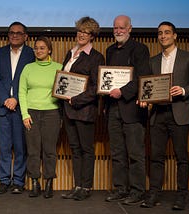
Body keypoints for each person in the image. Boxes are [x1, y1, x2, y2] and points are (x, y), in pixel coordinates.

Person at [140, 21, 189, 210]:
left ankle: (181, 196)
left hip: (180, 113)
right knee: (156, 157)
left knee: (181, 157)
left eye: (167, 33)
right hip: (158, 114)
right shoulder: (152, 61)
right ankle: (153, 194)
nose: (163, 36)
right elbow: (148, 88)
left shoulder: (188, 57)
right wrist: (144, 99)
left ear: (175, 36)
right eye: (160, 33)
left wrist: (184, 90)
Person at [104, 15, 151, 205]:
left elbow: (142, 77)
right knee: (117, 153)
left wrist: (122, 92)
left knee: (135, 154)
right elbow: (107, 78)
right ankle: (121, 189)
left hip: (132, 108)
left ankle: (138, 191)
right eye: (115, 28)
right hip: (113, 109)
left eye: (122, 28)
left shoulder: (140, 49)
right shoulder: (109, 50)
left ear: (130, 28)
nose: (118, 31)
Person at [60, 16, 105, 201]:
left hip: (84, 110)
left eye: (86, 32)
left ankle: (86, 187)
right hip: (68, 110)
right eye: (79, 31)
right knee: (75, 149)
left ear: (92, 35)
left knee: (86, 150)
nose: (81, 34)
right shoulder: (70, 53)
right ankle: (77, 186)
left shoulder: (96, 57)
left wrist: (77, 99)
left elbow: (97, 87)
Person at [0, 22, 35, 194]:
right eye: (11, 32)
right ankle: (3, 181)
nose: (15, 35)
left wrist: (16, 99)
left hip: (21, 108)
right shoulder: (0, 53)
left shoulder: (32, 54)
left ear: (26, 36)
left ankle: (18, 181)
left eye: (19, 33)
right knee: (4, 147)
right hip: (2, 108)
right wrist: (5, 100)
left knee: (20, 147)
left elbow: (31, 81)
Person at [19, 36, 62, 198]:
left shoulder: (59, 67)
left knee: (50, 151)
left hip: (52, 113)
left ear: (49, 50)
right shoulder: (28, 68)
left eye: (42, 48)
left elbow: (63, 90)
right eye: (36, 48)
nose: (39, 50)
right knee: (33, 150)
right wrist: (24, 114)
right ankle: (35, 182)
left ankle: (49, 182)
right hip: (31, 113)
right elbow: (21, 92)